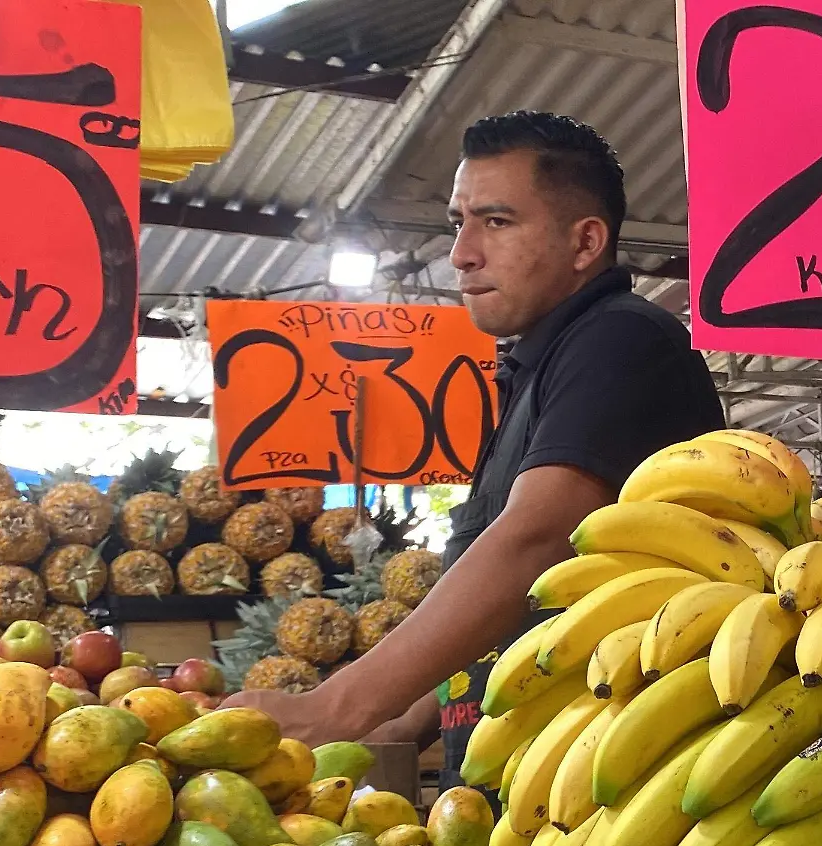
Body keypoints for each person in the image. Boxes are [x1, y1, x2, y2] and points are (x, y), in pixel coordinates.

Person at [223, 111, 723, 752]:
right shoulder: (535, 366)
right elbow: (516, 598)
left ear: (586, 242)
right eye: (459, 223)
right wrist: (407, 719)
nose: (461, 255)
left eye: (497, 221)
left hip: (595, 789)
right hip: (513, 786)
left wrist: (340, 706)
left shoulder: (619, 340)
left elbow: (536, 538)